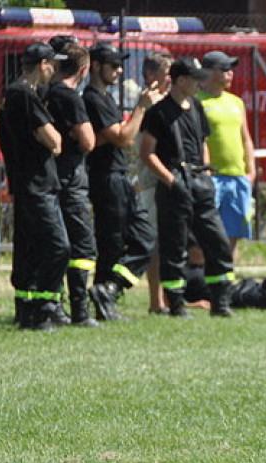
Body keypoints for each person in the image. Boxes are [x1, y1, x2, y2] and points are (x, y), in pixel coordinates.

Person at [141, 57, 236, 318]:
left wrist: (204, 174)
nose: (199, 84)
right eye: (195, 79)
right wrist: (171, 181)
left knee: (217, 243)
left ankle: (221, 302)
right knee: (174, 247)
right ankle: (177, 305)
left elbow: (202, 142)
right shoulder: (158, 113)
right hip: (174, 184)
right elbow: (147, 153)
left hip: (200, 183)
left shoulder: (195, 106)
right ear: (181, 80)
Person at [83, 42, 163, 322]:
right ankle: (105, 301)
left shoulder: (105, 98)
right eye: (113, 65)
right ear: (95, 66)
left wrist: (120, 131)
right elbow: (125, 138)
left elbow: (119, 135)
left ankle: (109, 289)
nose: (118, 70)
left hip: (120, 178)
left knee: (145, 239)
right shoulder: (92, 98)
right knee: (111, 244)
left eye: (120, 65)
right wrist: (141, 107)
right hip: (105, 179)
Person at [0, 42, 70, 330]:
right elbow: (55, 141)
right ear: (43, 65)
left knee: (29, 248)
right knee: (58, 246)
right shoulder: (25, 95)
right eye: (53, 64)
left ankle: (26, 308)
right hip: (37, 183)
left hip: (26, 182)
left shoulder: (11, 94)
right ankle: (43, 307)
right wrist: (53, 141)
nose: (55, 70)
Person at [46, 43, 98, 327]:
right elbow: (88, 141)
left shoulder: (45, 93)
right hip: (71, 176)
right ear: (84, 69)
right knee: (82, 244)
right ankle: (79, 309)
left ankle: (54, 303)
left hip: (51, 175)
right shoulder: (70, 96)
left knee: (57, 241)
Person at [199, 50, 256, 262]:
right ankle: (204, 278)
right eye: (224, 69)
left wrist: (250, 170)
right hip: (212, 178)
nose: (230, 74)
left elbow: (246, 137)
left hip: (238, 177)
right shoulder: (198, 102)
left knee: (233, 234)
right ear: (209, 72)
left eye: (231, 69)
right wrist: (205, 175)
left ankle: (226, 276)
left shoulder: (236, 102)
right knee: (206, 233)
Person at [135, 52, 173, 314]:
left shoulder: (170, 100)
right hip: (151, 182)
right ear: (151, 76)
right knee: (155, 243)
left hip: (169, 183)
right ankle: (155, 301)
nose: (170, 78)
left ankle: (169, 299)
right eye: (166, 72)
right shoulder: (147, 102)